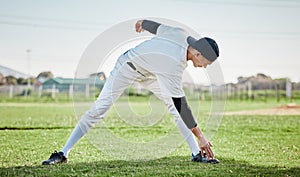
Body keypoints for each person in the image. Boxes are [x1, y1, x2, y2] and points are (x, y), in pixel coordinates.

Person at [42, 19, 220, 165]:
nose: (204, 66)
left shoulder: (180, 33)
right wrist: (201, 136)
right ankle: (63, 153)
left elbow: (158, 28)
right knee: (100, 109)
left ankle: (196, 154)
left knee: (173, 109)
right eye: (206, 62)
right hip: (127, 67)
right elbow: (181, 104)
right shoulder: (173, 63)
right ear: (197, 53)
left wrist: (143, 23)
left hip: (151, 73)